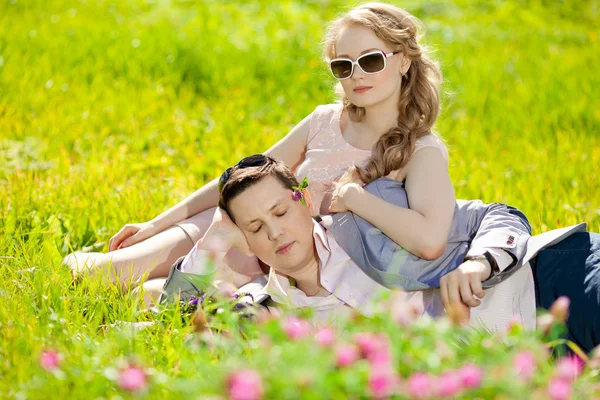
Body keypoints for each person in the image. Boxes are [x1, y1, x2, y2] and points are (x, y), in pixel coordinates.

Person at [63, 2, 454, 290]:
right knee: (90, 274)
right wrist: (153, 225)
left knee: (144, 295)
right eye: (343, 65)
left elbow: (430, 238)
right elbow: (239, 181)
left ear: (403, 61)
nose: (356, 76)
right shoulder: (324, 119)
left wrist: (353, 198)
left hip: (293, 273)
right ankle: (131, 271)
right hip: (237, 233)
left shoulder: (420, 151)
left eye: (370, 61)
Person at [155, 155, 600, 353]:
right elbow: (179, 314)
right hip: (538, 354)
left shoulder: (366, 215)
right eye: (255, 227)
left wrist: (477, 263)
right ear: (246, 242)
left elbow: (501, 217)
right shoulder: (271, 308)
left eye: (278, 211)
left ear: (303, 201)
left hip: (551, 276)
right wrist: (212, 241)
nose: (274, 232)